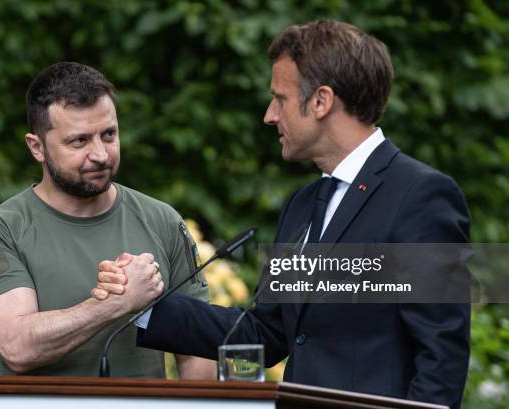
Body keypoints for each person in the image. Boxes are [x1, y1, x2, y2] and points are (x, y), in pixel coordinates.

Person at [93, 20, 470, 408]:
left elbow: (442, 359)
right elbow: (265, 332)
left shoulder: (422, 195)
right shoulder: (303, 204)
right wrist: (145, 304)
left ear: (321, 101)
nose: (270, 115)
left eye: (280, 98)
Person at [0, 62, 216, 379]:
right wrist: (114, 303)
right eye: (79, 141)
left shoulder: (163, 221)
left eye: (109, 135)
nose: (100, 154)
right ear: (37, 147)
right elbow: (17, 347)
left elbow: (197, 354)